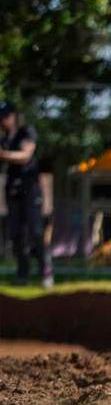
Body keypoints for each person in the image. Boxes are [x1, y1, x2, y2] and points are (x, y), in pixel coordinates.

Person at [0, 101, 51, 286]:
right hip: (13, 190)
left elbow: (25, 155)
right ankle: (23, 274)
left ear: (14, 115)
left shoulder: (26, 132)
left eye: (6, 115)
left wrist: (3, 154)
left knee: (36, 231)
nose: (3, 120)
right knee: (16, 234)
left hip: (30, 189)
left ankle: (45, 271)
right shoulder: (4, 138)